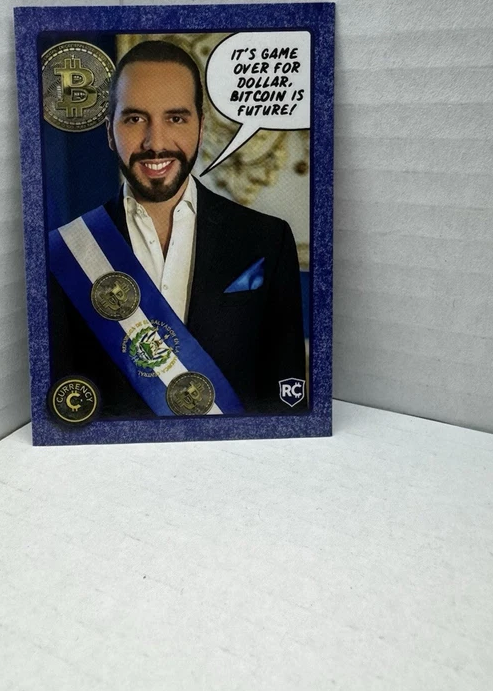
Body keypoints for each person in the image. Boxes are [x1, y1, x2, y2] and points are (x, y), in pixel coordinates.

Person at [48, 40, 306, 418]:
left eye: (176, 119)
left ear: (201, 128)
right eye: (135, 119)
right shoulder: (64, 253)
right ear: (109, 132)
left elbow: (285, 403)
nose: (155, 143)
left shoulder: (269, 240)